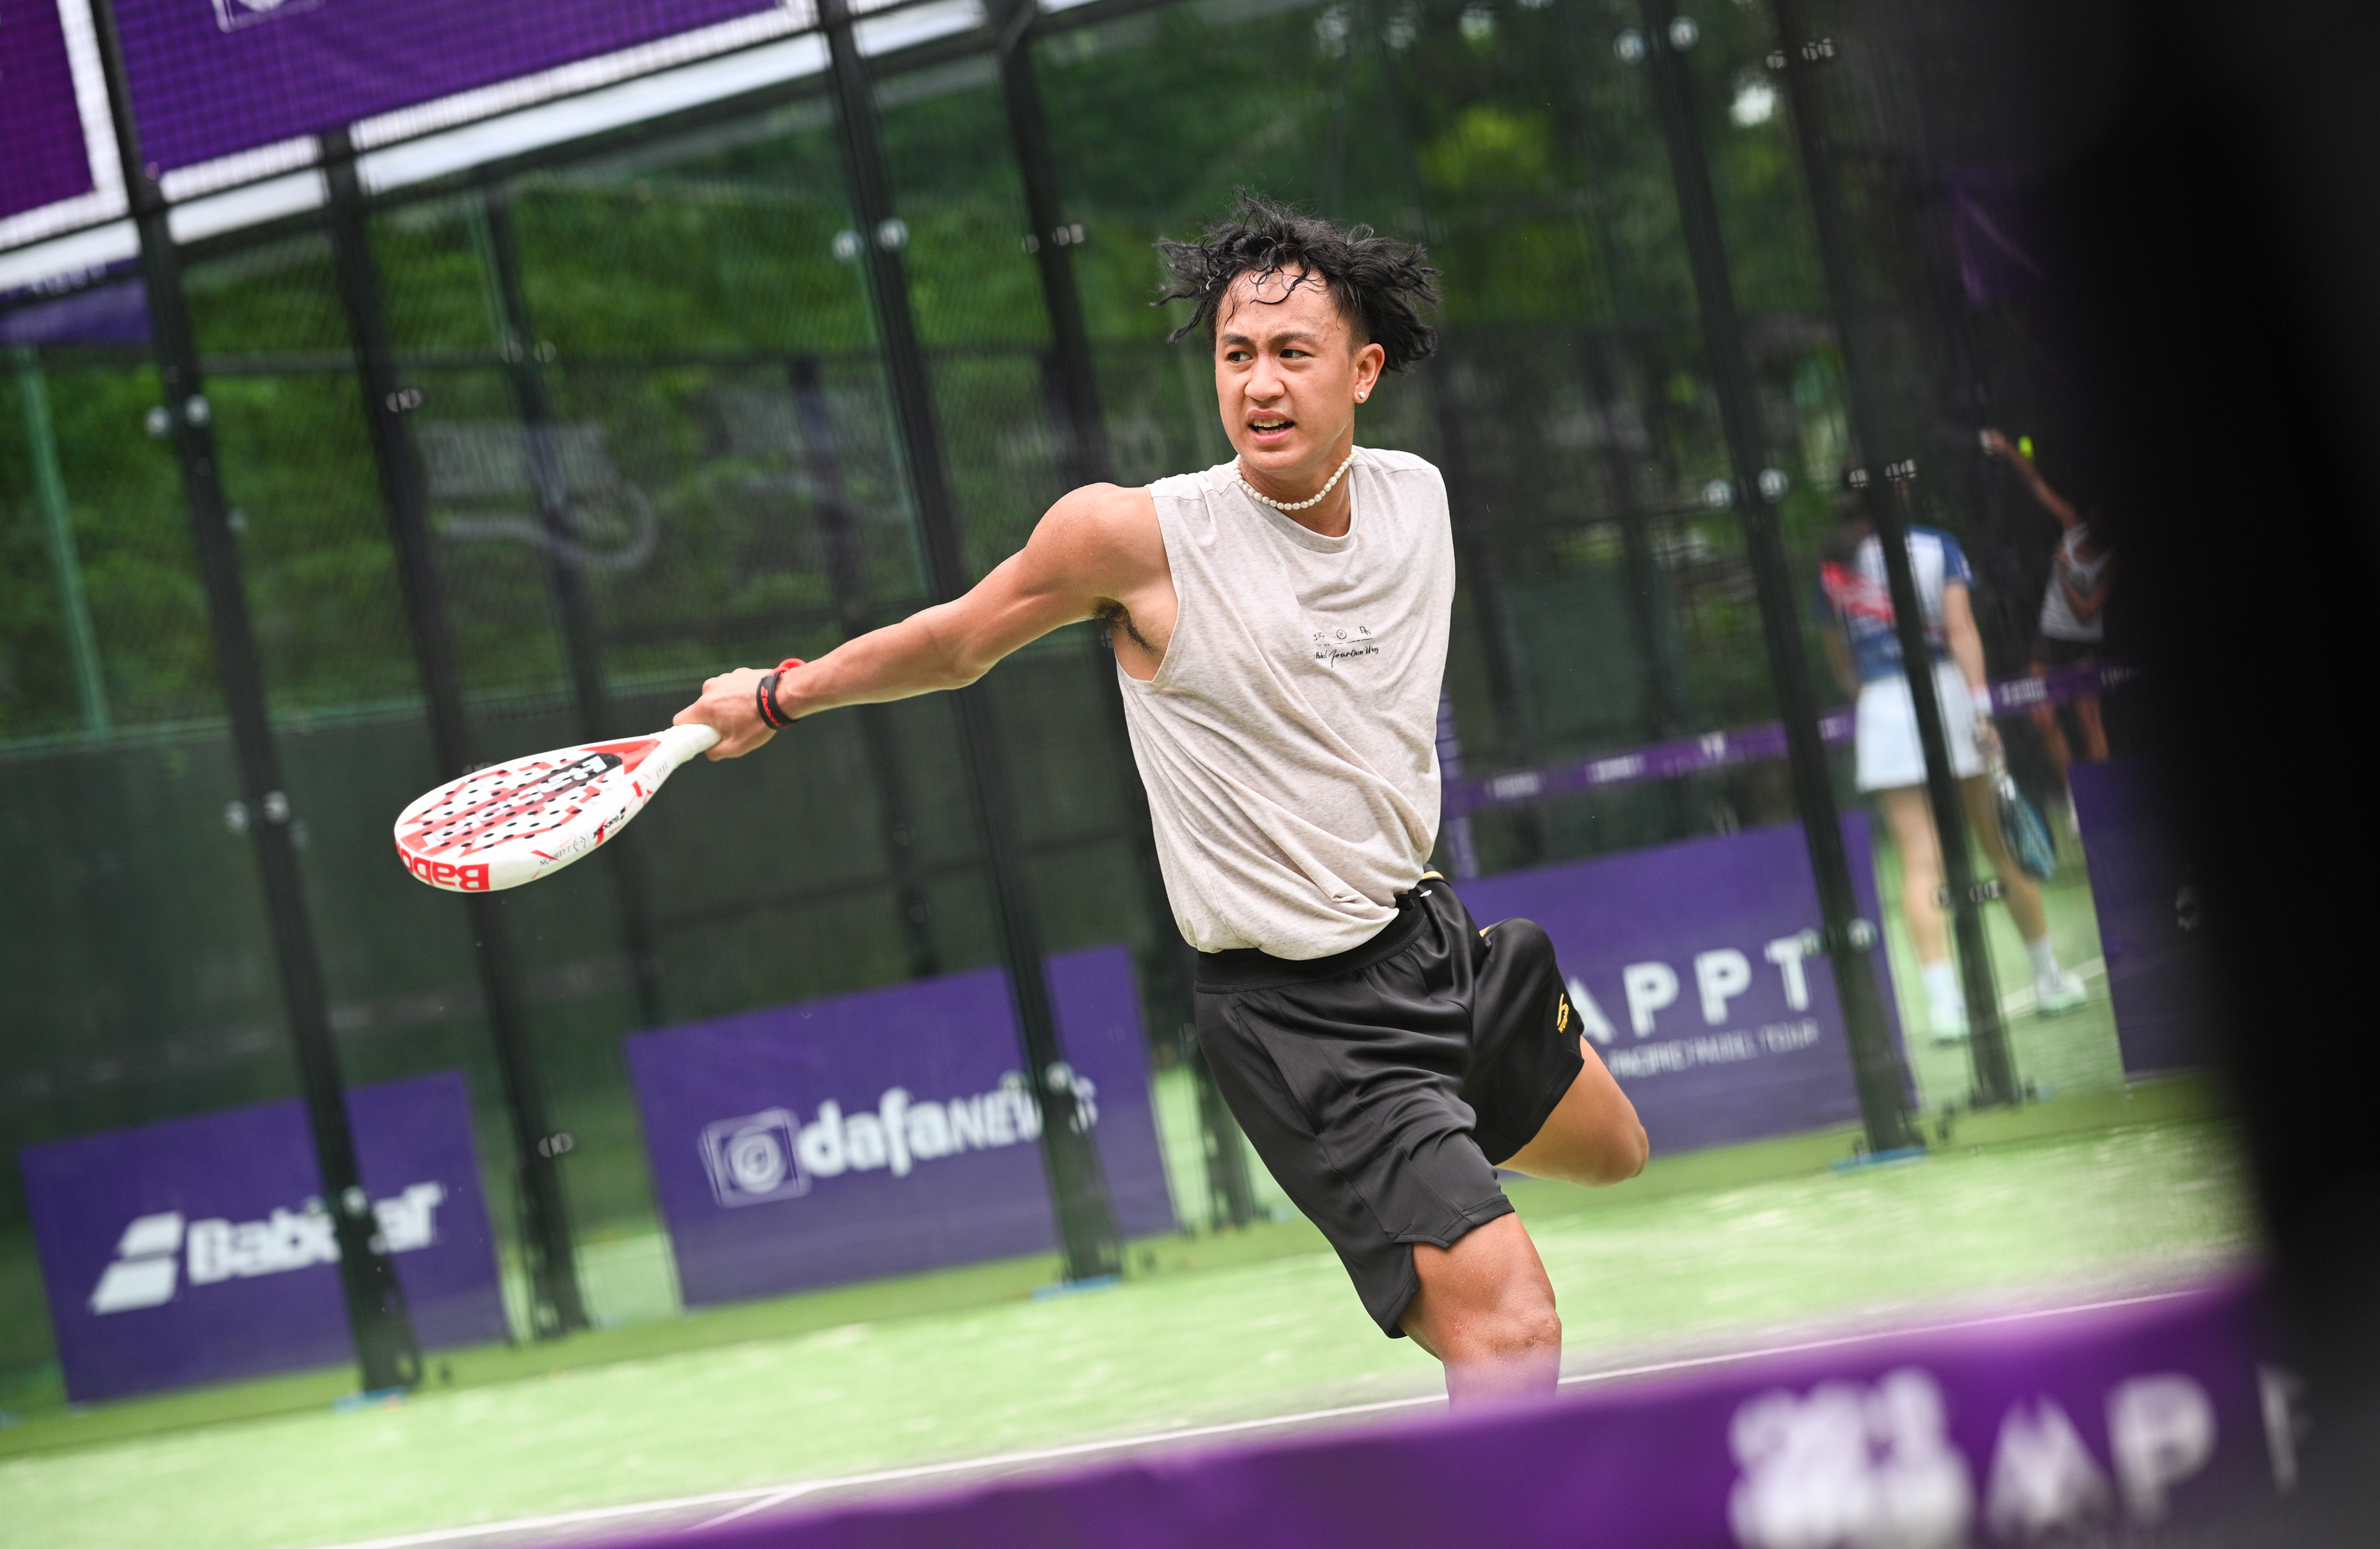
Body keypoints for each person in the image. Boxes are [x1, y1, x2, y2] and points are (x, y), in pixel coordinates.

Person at [673, 198, 1648, 1405]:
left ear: (1363, 371)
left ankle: (1435, 1146)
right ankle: (1418, 1178)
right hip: (1307, 1020)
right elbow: (959, 642)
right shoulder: (1133, 540)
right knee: (1512, 1327)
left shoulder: (1415, 499)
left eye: (1292, 353)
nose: (1259, 383)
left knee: (1616, 1150)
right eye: (1237, 353)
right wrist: (778, 695)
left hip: (1430, 941)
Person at [1817, 491, 2089, 1043]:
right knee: (2000, 845)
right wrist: (1981, 709)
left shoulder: (1835, 565)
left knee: (1920, 865)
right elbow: (1961, 630)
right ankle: (2049, 980)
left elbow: (1838, 654)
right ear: (1898, 490)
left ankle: (1945, 1011)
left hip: (1883, 709)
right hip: (1948, 697)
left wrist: (1868, 693)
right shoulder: (1935, 546)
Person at [1981, 429, 2112, 791]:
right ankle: (2075, 791)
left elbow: (2087, 612)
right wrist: (2009, 450)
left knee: (2089, 720)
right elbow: (2036, 484)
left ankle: (2104, 792)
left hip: (2082, 641)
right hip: (2049, 635)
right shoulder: (2073, 525)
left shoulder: (2111, 559)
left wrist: (2066, 572)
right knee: (2041, 715)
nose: (2097, 518)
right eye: (2096, 511)